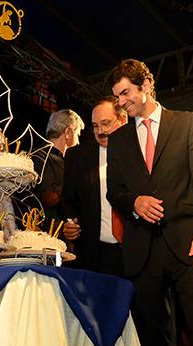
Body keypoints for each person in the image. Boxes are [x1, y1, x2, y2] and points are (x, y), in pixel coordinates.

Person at [105, 58, 193, 346]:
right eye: (117, 96)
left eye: (125, 93)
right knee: (153, 339)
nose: (121, 102)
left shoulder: (186, 123)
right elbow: (114, 191)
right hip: (143, 252)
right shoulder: (118, 140)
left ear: (145, 87)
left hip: (189, 245)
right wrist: (134, 202)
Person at [62, 96, 127, 276]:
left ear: (123, 120)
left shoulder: (139, 154)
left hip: (135, 256)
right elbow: (68, 202)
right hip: (93, 257)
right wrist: (69, 225)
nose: (100, 131)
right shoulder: (76, 157)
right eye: (96, 126)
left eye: (106, 123)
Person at [33, 109, 84, 228]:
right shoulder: (41, 157)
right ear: (68, 132)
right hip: (47, 232)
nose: (78, 141)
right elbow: (48, 197)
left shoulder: (46, 156)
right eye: (78, 134)